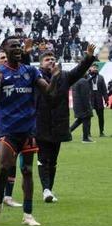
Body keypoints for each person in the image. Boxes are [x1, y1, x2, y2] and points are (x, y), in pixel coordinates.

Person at [0, 36, 53, 226]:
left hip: (28, 129)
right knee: (4, 168)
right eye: (13, 46)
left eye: (19, 46)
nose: (17, 48)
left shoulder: (30, 71)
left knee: (27, 170)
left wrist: (55, 79)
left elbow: (47, 91)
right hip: (7, 129)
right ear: (4, 50)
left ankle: (28, 215)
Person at [35, 45, 95, 204]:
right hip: (41, 123)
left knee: (53, 160)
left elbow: (79, 71)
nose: (51, 61)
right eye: (47, 59)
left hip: (59, 124)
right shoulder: (36, 77)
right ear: (41, 63)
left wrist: (88, 57)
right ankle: (46, 189)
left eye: (53, 59)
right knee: (43, 158)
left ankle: (49, 190)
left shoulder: (65, 76)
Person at [70, 74, 93, 142]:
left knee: (79, 120)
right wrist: (88, 107)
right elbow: (85, 95)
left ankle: (67, 132)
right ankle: (85, 138)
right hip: (83, 105)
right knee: (86, 119)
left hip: (77, 105)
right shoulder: (83, 81)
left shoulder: (75, 81)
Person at [88, 64, 108, 136]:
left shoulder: (101, 77)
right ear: (90, 68)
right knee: (88, 117)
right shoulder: (87, 77)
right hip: (90, 99)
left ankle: (101, 132)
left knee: (101, 116)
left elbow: (104, 89)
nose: (95, 69)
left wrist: (106, 99)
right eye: (93, 67)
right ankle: (88, 133)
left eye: (96, 68)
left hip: (99, 99)